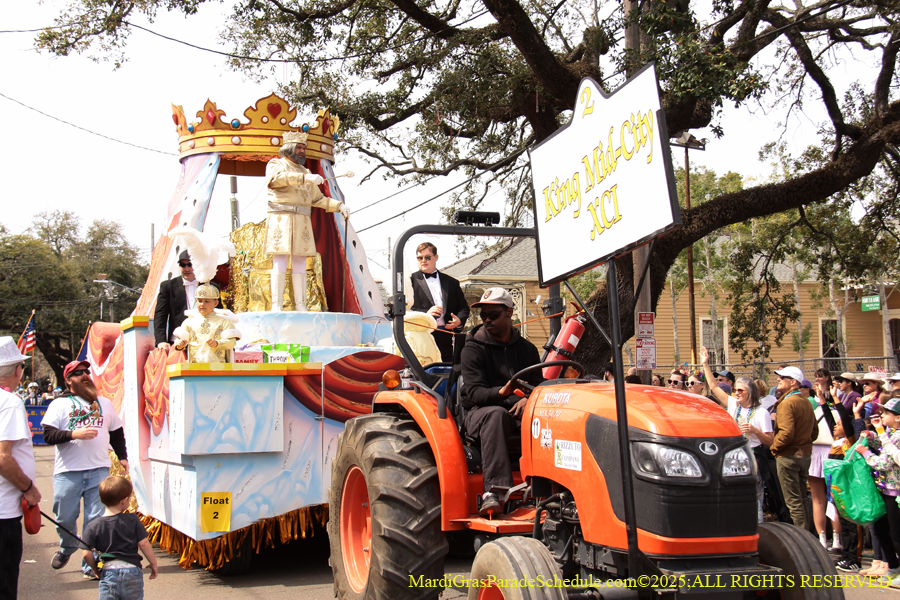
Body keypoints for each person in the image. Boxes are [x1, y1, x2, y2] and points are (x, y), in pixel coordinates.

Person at [41, 360, 129, 578]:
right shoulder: (59, 405)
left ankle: (90, 563)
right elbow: (48, 436)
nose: (85, 375)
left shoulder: (104, 403)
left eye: (86, 372)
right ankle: (67, 548)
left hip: (99, 470)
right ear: (69, 380)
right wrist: (74, 434)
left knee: (95, 521)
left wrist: (123, 457)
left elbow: (116, 432)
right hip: (67, 472)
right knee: (65, 518)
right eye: (78, 373)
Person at [460, 287, 542, 518]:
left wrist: (529, 399)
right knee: (495, 414)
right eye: (482, 315)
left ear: (509, 313)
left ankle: (553, 486)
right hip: (480, 414)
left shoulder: (527, 350)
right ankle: (494, 493)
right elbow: (474, 393)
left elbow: (539, 385)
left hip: (518, 413)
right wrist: (502, 391)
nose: (486, 320)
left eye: (493, 314)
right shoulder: (473, 349)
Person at [265, 130, 349, 312]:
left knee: (300, 263)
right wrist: (304, 178)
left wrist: (339, 205)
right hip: (282, 218)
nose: (302, 151)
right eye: (299, 148)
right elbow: (275, 181)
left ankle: (301, 305)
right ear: (289, 148)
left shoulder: (306, 171)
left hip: (302, 221)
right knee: (279, 260)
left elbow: (317, 199)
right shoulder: (276, 164)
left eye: (304, 148)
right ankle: (276, 305)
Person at [701, 347, 773, 522]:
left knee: (755, 496)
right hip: (734, 455)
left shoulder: (761, 412)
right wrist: (705, 363)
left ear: (751, 393)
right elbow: (713, 387)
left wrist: (754, 430)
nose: (737, 393)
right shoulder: (733, 405)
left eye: (741, 391)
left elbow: (770, 441)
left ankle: (757, 528)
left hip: (754, 455)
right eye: (737, 390)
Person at [0, 337, 41, 600]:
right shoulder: (9, 402)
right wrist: (29, 489)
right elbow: (3, 458)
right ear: (17, 370)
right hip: (3, 514)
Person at [82, 476, 158, 598]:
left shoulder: (93, 526)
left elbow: (86, 553)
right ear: (124, 500)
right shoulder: (132, 520)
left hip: (109, 573)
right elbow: (144, 543)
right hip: (132, 572)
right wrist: (153, 563)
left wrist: (95, 569)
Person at [856, 399, 900, 586]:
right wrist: (872, 436)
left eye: (887, 413)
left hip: (895, 492)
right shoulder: (891, 433)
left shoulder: (898, 436)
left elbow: (884, 462)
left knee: (896, 534)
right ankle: (893, 566)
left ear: (897, 418)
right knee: (881, 530)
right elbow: (883, 444)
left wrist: (866, 453)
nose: (882, 415)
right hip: (885, 489)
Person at [769, 366, 816, 531]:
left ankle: (804, 540)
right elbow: (814, 432)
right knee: (802, 499)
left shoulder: (787, 403)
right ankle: (809, 537)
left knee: (794, 502)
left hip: (788, 456)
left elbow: (786, 433)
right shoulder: (805, 402)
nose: (778, 380)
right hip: (804, 456)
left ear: (793, 382)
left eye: (782, 378)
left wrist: (774, 448)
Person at [410, 242, 470, 362]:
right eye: (420, 258)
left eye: (427, 257)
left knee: (447, 372)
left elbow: (464, 308)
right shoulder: (409, 281)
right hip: (422, 336)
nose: (423, 260)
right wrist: (426, 314)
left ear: (436, 257)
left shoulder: (452, 282)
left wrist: (459, 320)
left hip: (447, 336)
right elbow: (406, 310)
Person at [172, 284, 241, 363]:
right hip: (195, 367)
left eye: (207, 301)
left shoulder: (224, 322)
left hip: (218, 367)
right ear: (196, 301)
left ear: (215, 303)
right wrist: (179, 345)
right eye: (200, 301)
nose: (202, 304)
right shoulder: (189, 322)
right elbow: (178, 341)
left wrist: (217, 343)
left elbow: (231, 342)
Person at [154, 250, 196, 349]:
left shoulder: (209, 286)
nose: (186, 268)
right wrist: (161, 341)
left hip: (204, 342)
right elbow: (161, 315)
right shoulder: (168, 286)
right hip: (178, 341)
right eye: (183, 265)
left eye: (190, 265)